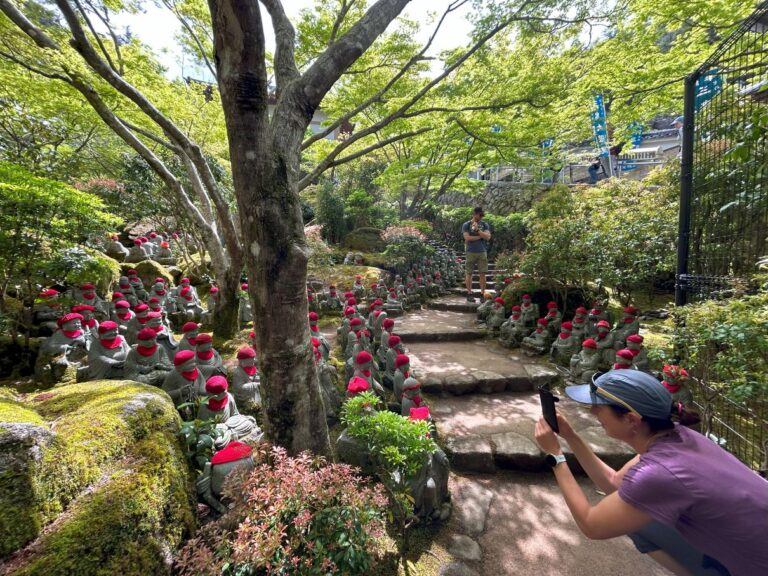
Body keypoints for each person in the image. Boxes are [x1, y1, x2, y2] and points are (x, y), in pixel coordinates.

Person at [533, 370, 768, 576]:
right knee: (640, 525)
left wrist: (556, 456)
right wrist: (570, 436)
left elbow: (591, 524)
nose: (593, 411)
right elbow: (614, 483)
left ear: (631, 420)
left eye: (599, 407)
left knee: (633, 523)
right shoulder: (678, 436)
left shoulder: (659, 473)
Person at [461, 206, 491, 302]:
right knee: (469, 273)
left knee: (482, 273)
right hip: (470, 251)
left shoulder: (484, 224)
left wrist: (478, 231)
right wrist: (480, 237)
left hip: (482, 251)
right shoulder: (466, 225)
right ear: (474, 214)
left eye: (482, 215)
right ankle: (469, 293)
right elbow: (467, 238)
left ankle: (482, 294)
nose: (481, 217)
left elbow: (487, 237)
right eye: (479, 215)